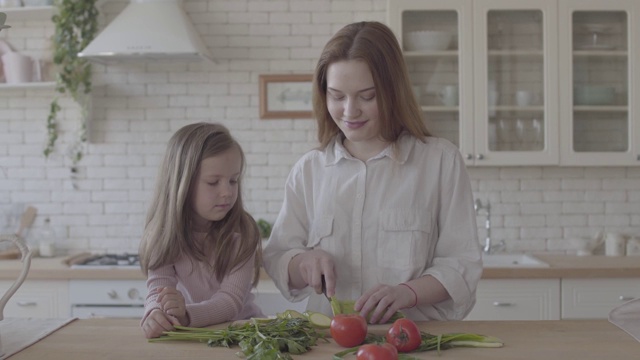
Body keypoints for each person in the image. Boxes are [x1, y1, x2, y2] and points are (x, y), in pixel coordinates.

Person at [262, 21, 482, 324]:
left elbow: (462, 264)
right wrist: (302, 262)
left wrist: (407, 292)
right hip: (330, 343)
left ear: (394, 92)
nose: (350, 111)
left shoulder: (440, 161)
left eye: (367, 96)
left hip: (415, 341)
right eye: (337, 96)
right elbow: (278, 256)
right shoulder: (309, 170)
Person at [139, 122, 263, 339]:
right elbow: (158, 288)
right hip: (192, 336)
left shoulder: (243, 233)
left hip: (245, 336)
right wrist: (155, 312)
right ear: (182, 184)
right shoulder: (162, 235)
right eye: (213, 182)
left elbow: (229, 303)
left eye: (233, 180)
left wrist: (186, 315)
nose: (227, 192)